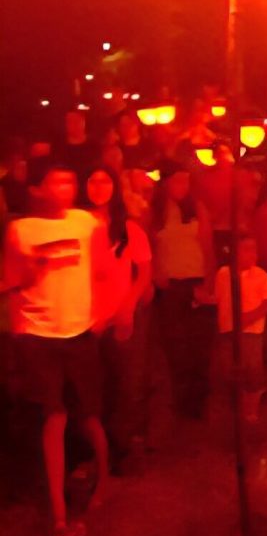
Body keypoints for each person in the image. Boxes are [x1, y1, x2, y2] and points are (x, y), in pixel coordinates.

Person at [3, 163, 111, 536]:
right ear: (38, 189)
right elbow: (9, 281)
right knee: (54, 417)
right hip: (39, 333)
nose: (66, 187)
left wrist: (105, 312)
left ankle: (104, 482)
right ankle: (59, 515)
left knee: (90, 416)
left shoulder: (86, 222)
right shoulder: (22, 229)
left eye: (70, 180)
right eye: (57, 181)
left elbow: (102, 269)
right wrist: (25, 283)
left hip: (79, 329)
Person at [84, 167, 153, 470]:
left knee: (128, 385)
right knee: (97, 387)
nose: (99, 187)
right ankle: (99, 453)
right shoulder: (79, 227)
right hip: (88, 319)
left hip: (122, 314)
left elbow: (143, 271)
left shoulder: (127, 228)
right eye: (92, 181)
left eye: (105, 181)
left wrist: (127, 307)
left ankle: (127, 448)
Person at [148, 167, 216, 419]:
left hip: (195, 280)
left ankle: (200, 401)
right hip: (170, 287)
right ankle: (182, 400)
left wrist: (208, 284)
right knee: (175, 346)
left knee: (199, 344)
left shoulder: (196, 209)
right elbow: (149, 245)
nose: (182, 185)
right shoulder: (155, 212)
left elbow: (208, 248)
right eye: (177, 180)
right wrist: (155, 272)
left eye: (185, 180)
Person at [211, 236, 267, 422]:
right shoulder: (223, 274)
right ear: (235, 252)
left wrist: (248, 318)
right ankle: (239, 411)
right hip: (228, 332)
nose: (252, 254)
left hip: (251, 333)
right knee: (231, 370)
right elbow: (219, 298)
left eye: (254, 249)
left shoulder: (261, 276)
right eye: (246, 249)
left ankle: (251, 413)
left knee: (252, 372)